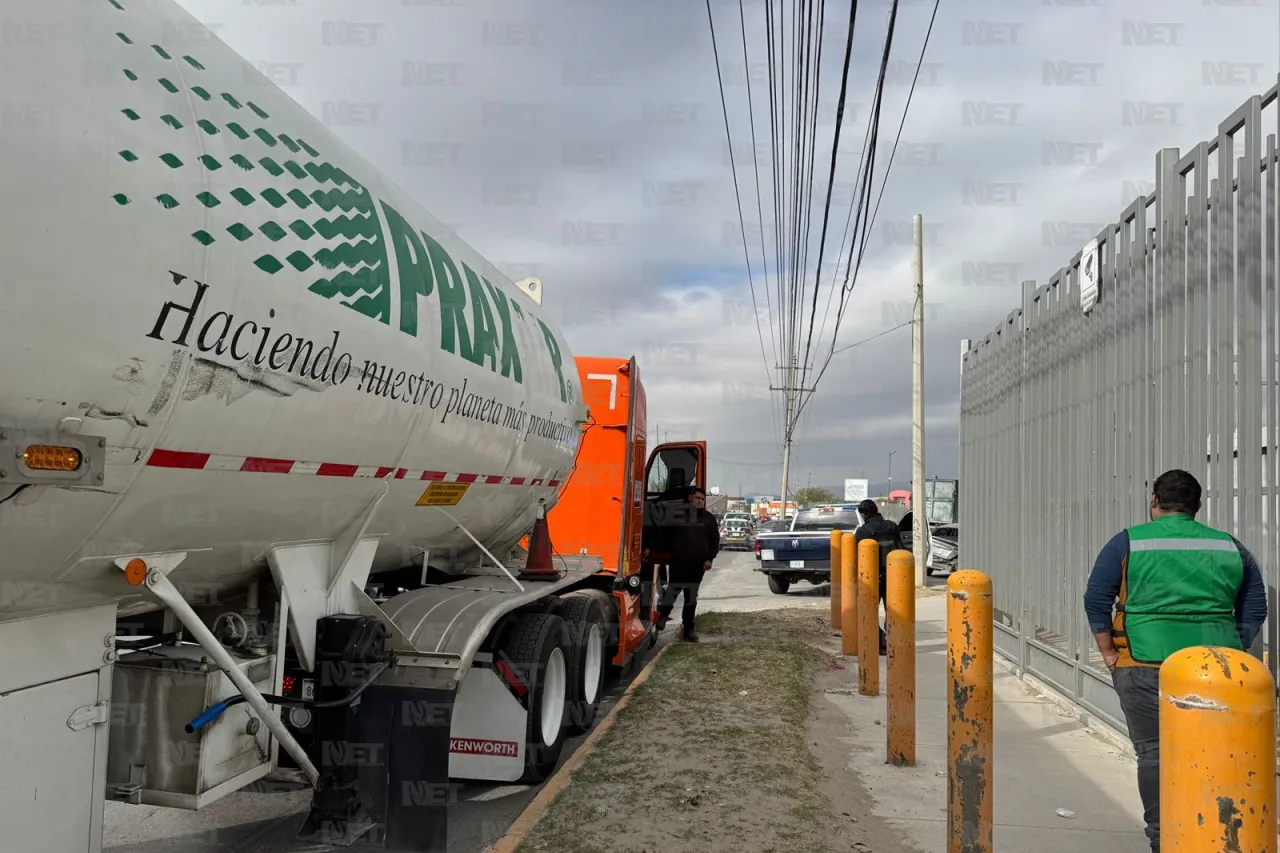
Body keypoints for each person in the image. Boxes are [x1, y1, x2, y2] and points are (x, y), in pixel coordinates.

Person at [1083, 469, 1267, 853]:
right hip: (1216, 668)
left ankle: (1164, 839)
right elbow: (1254, 604)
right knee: (1216, 752)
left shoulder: (1128, 542)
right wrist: (1236, 646)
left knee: (1153, 753)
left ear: (1155, 501)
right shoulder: (1228, 546)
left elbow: (1096, 599)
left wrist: (1109, 653)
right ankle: (1217, 836)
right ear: (1197, 507)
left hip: (1145, 663)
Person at [655, 486, 719, 642]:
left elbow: (714, 540)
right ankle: (663, 616)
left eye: (702, 499)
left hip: (698, 564)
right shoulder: (677, 515)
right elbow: (664, 535)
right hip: (679, 561)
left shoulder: (708, 519)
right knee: (672, 591)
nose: (700, 501)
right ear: (690, 498)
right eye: (697, 498)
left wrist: (710, 558)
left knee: (691, 598)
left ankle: (689, 631)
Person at [854, 499, 904, 655]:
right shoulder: (892, 526)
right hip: (893, 577)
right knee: (894, 611)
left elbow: (858, 557)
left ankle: (880, 643)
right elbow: (900, 548)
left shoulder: (862, 532)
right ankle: (894, 643)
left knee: (868, 612)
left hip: (872, 579)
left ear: (863, 514)